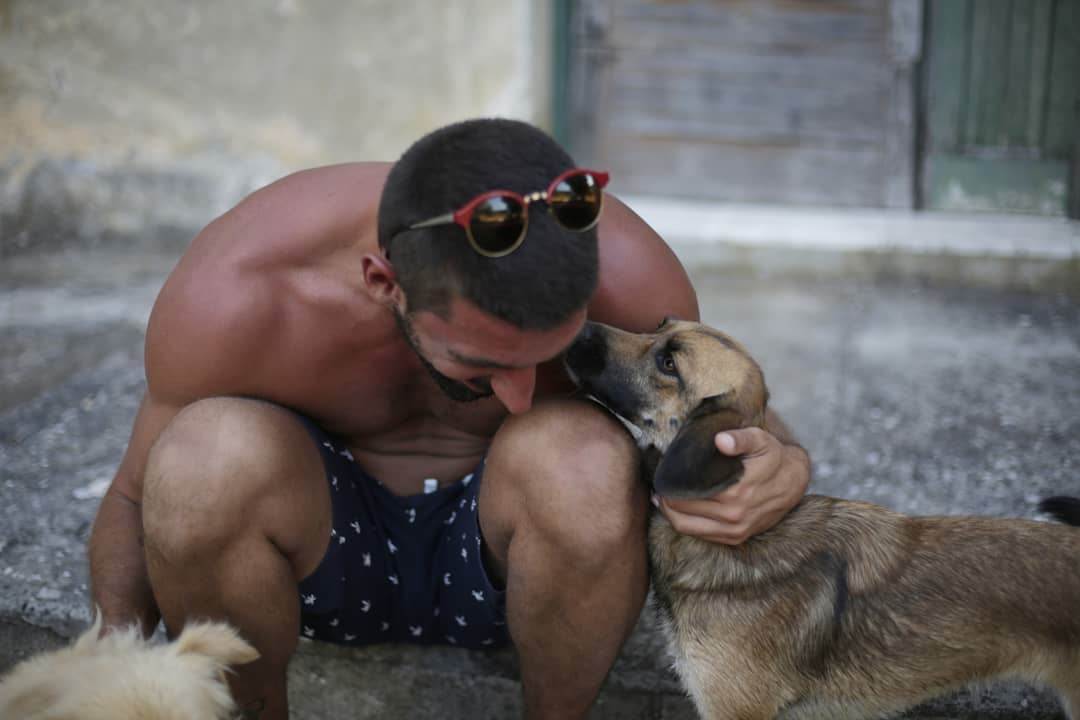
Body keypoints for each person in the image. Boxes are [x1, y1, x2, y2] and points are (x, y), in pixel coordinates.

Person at [88, 118, 809, 719]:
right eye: (483, 363)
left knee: (581, 453)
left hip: (516, 567)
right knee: (200, 458)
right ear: (384, 284)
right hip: (311, 559)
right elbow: (135, 495)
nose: (520, 397)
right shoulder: (238, 293)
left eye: (550, 356)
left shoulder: (632, 275)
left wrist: (786, 467)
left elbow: (732, 418)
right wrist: (107, 669)